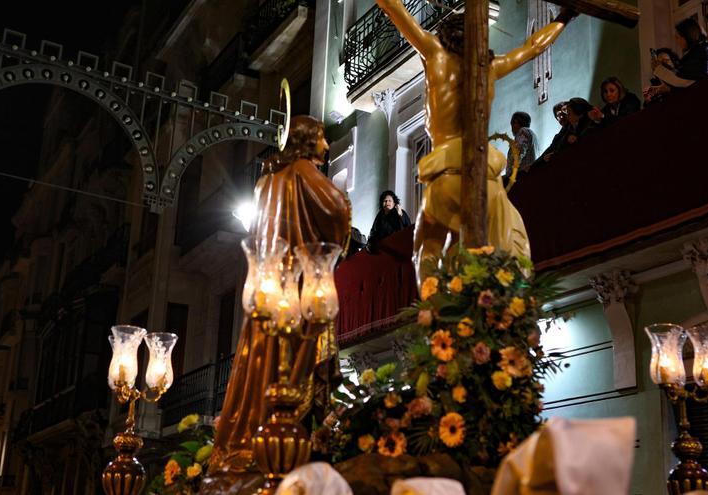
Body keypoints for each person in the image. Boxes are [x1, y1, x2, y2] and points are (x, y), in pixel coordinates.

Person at [374, 0, 579, 279]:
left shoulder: (435, 54)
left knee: (428, 257)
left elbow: (393, 8)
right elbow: (534, 47)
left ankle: (441, 311)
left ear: (446, 36)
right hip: (484, 178)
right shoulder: (489, 67)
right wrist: (565, 18)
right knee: (505, 262)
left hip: (446, 174)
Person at [204, 115, 351, 492]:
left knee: (259, 369)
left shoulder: (266, 182)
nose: (327, 146)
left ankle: (247, 440)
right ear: (307, 141)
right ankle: (283, 456)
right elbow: (336, 211)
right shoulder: (303, 171)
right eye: (321, 138)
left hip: (268, 290)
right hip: (301, 286)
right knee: (294, 368)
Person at [645, 18, 708, 101]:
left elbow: (685, 80)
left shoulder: (705, 53)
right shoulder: (698, 52)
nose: (677, 41)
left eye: (678, 37)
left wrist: (659, 69)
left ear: (687, 36)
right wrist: (665, 88)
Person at [534, 101, 570, 166]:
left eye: (563, 113)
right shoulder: (559, 136)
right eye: (558, 116)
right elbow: (549, 150)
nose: (561, 117)